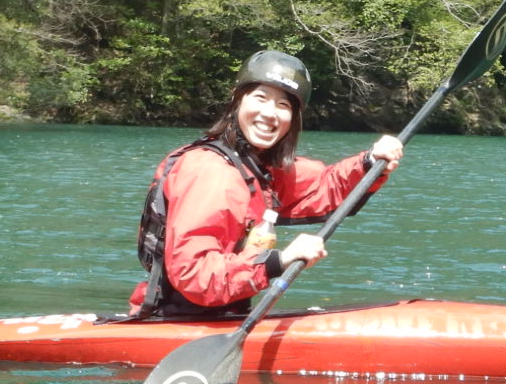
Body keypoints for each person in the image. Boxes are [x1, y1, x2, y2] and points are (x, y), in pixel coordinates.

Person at [127, 50, 403, 320]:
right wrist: (278, 261)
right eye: (261, 98)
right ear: (237, 100)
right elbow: (196, 275)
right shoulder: (212, 173)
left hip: (221, 315)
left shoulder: (254, 167)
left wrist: (369, 162)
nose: (270, 113)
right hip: (181, 319)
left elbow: (321, 186)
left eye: (283, 105)